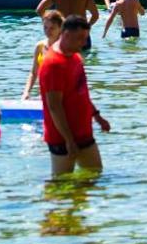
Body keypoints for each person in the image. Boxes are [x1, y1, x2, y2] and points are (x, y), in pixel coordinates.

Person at [39, 15, 110, 176]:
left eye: (85, 38)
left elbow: (82, 92)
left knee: (94, 174)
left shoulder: (76, 57)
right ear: (66, 35)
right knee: (61, 183)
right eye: (80, 38)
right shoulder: (53, 64)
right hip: (62, 138)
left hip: (83, 131)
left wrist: (97, 117)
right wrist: (69, 140)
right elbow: (54, 106)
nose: (84, 43)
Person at [23, 12, 64, 99]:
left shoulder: (65, 48)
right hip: (44, 93)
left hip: (61, 95)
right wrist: (26, 92)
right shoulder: (40, 46)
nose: (48, 31)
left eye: (52, 28)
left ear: (60, 28)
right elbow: (34, 73)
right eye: (45, 27)